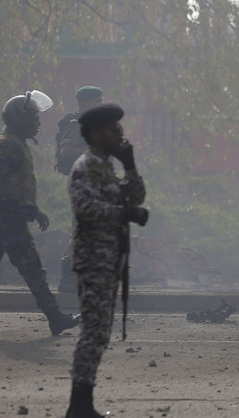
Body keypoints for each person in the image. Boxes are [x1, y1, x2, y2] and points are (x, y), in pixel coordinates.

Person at [65, 103, 149, 417]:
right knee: (93, 330)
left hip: (109, 260)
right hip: (94, 260)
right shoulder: (86, 165)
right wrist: (124, 213)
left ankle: (82, 404)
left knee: (99, 331)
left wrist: (130, 165)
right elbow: (84, 206)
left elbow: (135, 196)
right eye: (115, 129)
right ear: (97, 134)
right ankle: (79, 406)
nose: (121, 134)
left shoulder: (107, 167)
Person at [0, 90, 80, 336]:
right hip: (7, 220)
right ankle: (55, 318)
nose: (37, 123)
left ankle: (55, 318)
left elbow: (16, 186)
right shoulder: (8, 147)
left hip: (12, 219)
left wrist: (34, 211)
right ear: (19, 119)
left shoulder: (16, 145)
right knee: (33, 270)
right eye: (33, 118)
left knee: (33, 270)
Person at [55, 86, 105, 294]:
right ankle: (68, 277)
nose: (101, 105)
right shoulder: (77, 125)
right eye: (97, 102)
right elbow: (66, 150)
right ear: (85, 103)